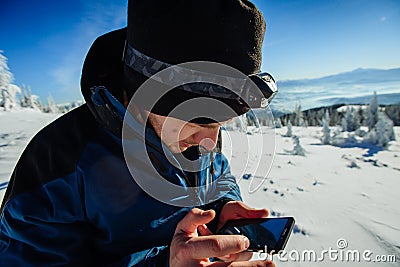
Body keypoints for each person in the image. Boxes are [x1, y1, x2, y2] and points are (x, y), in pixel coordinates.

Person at [0, 0, 278, 266]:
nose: (209, 141)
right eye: (197, 122)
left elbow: (219, 174)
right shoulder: (56, 162)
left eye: (221, 124)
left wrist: (223, 207)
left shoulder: (197, 138)